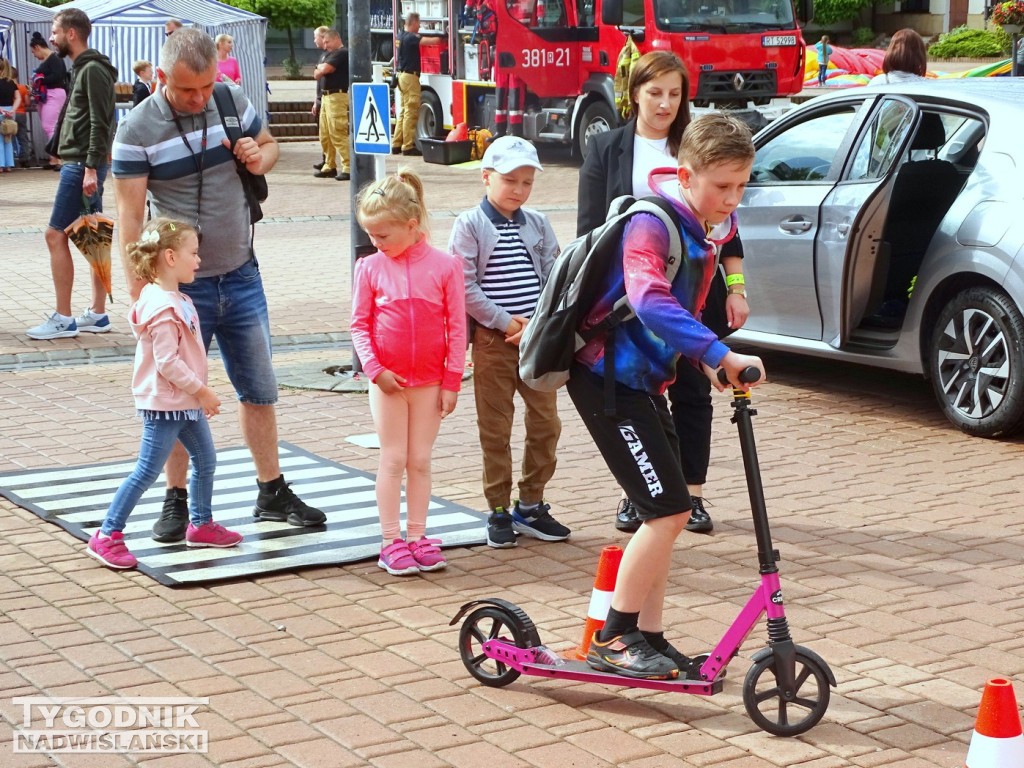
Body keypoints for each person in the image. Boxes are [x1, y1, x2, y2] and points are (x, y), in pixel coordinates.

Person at [568, 113, 765, 679]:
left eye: (741, 186)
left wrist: (705, 367)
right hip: (608, 380)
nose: (732, 198)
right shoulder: (653, 223)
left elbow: (667, 321)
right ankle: (615, 639)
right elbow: (649, 299)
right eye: (722, 186)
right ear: (686, 174)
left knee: (670, 511)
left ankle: (648, 636)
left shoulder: (702, 227)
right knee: (668, 509)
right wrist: (718, 354)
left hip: (642, 382)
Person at [112, 28, 327, 541]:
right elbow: (129, 215)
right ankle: (177, 499)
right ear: (161, 78)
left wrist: (259, 155)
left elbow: (271, 149)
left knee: (259, 389)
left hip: (242, 273)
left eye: (207, 86)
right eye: (188, 90)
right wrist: (142, 293)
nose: (200, 98)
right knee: (176, 400)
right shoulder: (137, 129)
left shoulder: (229, 97)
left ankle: (271, 491)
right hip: (181, 291)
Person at [577, 51, 749, 536]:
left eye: (675, 93)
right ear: (634, 94)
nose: (665, 103)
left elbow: (728, 231)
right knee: (650, 470)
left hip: (692, 290)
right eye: (655, 92)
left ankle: (686, 493)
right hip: (630, 308)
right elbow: (593, 234)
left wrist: (734, 290)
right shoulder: (612, 152)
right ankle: (648, 497)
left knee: (692, 392)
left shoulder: (698, 146)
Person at [87, 218, 244, 570]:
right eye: (194, 253)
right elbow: (167, 363)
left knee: (206, 461)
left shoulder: (173, 297)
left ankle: (201, 524)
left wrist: (196, 395)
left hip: (181, 402)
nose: (199, 260)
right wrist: (202, 391)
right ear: (171, 257)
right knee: (146, 470)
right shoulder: (163, 307)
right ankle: (107, 535)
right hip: (167, 404)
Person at [448, 136, 571, 549]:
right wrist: (504, 323)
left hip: (535, 340)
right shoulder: (470, 224)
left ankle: (531, 504)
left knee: (546, 424)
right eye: (510, 180)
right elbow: (464, 286)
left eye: (527, 182)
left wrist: (538, 323)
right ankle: (498, 508)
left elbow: (555, 275)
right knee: (495, 428)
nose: (518, 190)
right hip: (492, 343)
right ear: (486, 178)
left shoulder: (537, 222)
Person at [350, 169, 467, 576]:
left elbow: (458, 327)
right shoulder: (369, 268)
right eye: (371, 235)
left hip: (430, 382)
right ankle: (389, 540)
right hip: (388, 383)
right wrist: (375, 369)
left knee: (419, 459)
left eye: (383, 235)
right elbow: (359, 324)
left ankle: (417, 536)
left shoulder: (446, 266)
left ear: (411, 225)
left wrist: (451, 381)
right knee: (393, 457)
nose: (375, 243)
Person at [25, 10, 116, 341]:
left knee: (55, 235)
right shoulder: (85, 68)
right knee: (92, 235)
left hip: (81, 165)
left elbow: (102, 119)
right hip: (81, 163)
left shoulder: (92, 69)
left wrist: (91, 166)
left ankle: (64, 318)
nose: (51, 38)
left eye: (54, 31)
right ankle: (98, 314)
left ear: (72, 34)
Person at [391, 13, 443, 156]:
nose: (420, 26)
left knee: (403, 111)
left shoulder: (400, 36)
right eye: (419, 23)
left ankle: (396, 143)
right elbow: (429, 41)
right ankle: (407, 146)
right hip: (410, 77)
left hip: (402, 76)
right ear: (413, 23)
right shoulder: (411, 37)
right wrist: (443, 36)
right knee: (412, 111)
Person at [312, 28, 350, 181]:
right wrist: (320, 69)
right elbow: (316, 74)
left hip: (337, 96)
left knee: (337, 132)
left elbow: (325, 69)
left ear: (336, 39)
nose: (325, 45)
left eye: (327, 42)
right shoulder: (329, 54)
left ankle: (348, 167)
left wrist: (321, 68)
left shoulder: (341, 53)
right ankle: (329, 165)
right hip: (326, 96)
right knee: (325, 134)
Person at [28, 31, 68, 170]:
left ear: (37, 47)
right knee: (50, 126)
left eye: (34, 52)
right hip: (46, 95)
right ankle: (53, 158)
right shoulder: (50, 60)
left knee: (50, 126)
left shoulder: (55, 58)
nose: (34, 55)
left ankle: (59, 159)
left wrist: (40, 80)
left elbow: (57, 77)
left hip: (54, 93)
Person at [311, 26, 332, 172]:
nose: (314, 40)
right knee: (322, 131)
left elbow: (319, 73)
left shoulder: (329, 55)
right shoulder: (323, 56)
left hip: (328, 97)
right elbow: (317, 79)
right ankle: (325, 160)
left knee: (328, 132)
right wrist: (315, 100)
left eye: (316, 37)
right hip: (320, 97)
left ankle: (328, 162)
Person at [0, 58, 20, 173]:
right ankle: (9, 164)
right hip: (9, 112)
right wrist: (13, 110)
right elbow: (18, 97)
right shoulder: (11, 83)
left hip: (1, 111)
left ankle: (0, 164)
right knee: (8, 139)